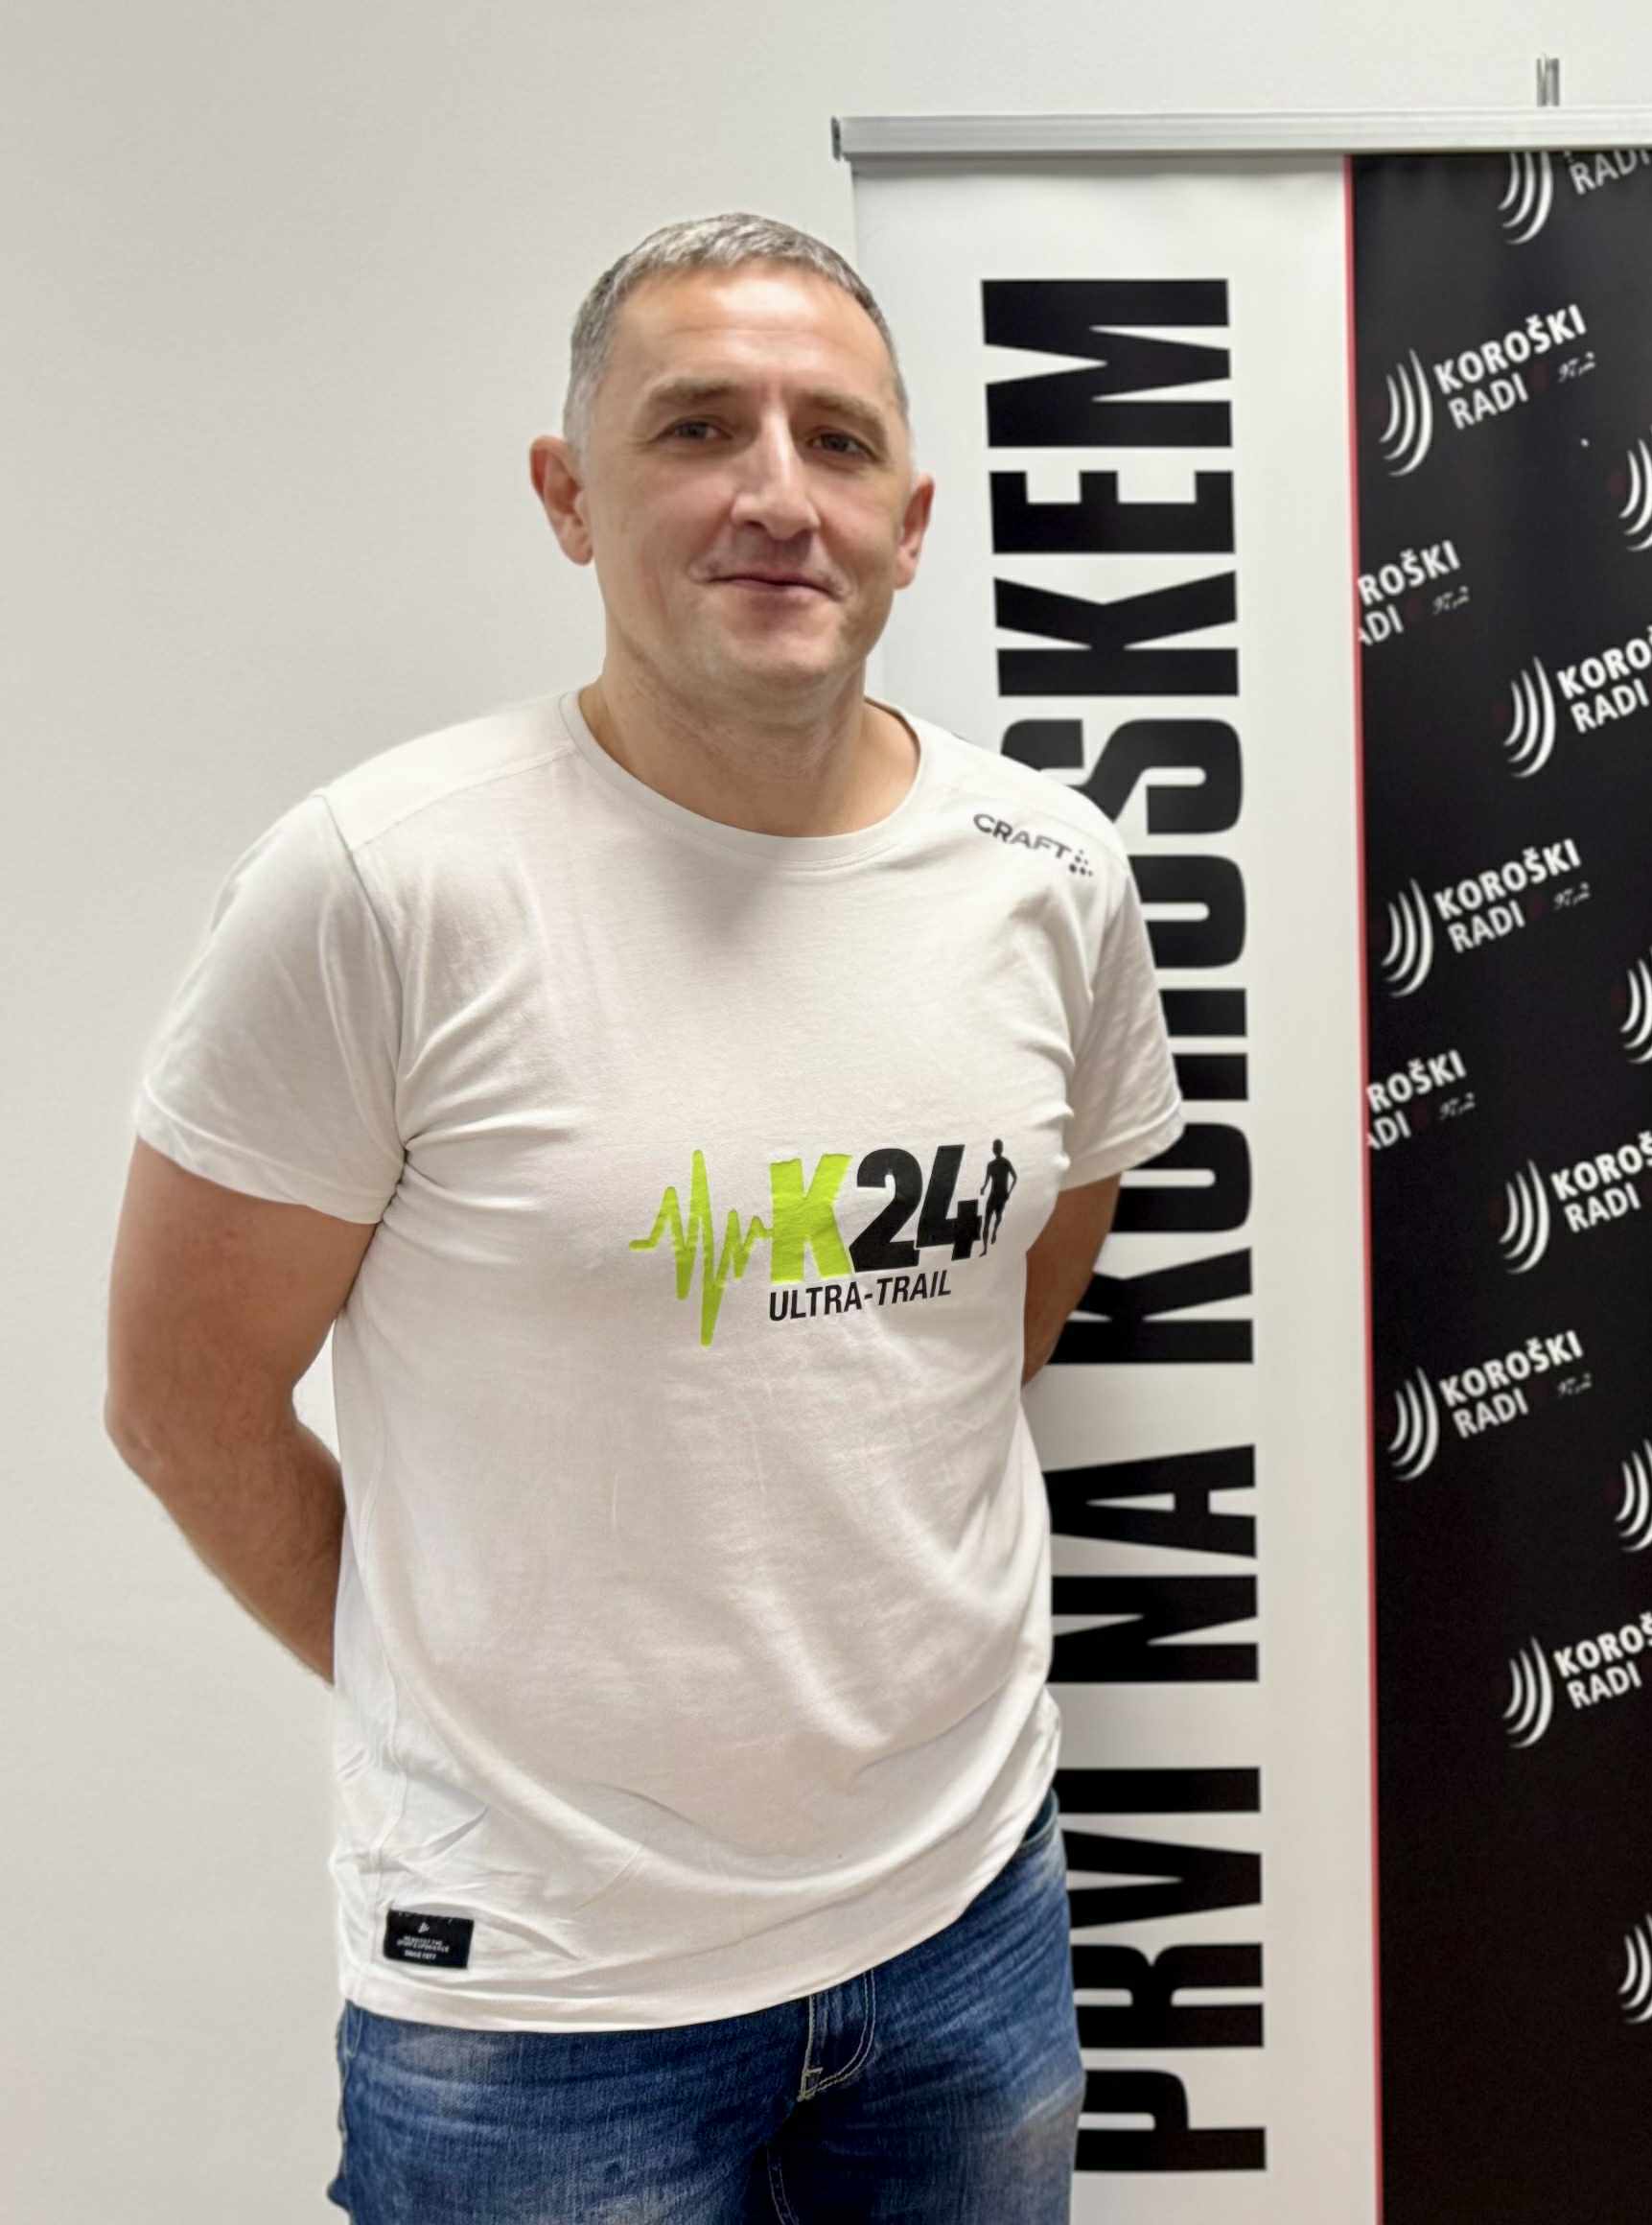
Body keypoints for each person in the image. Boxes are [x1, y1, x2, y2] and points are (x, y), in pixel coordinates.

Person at [104, 213, 1184, 2221]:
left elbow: (992, 1317)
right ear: (568, 494)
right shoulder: (384, 886)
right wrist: (475, 1713)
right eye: (698, 427)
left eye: (835, 441)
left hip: (966, 1921)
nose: (776, 493)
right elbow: (181, 1399)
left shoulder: (1053, 874)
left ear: (911, 522)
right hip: (542, 1996)